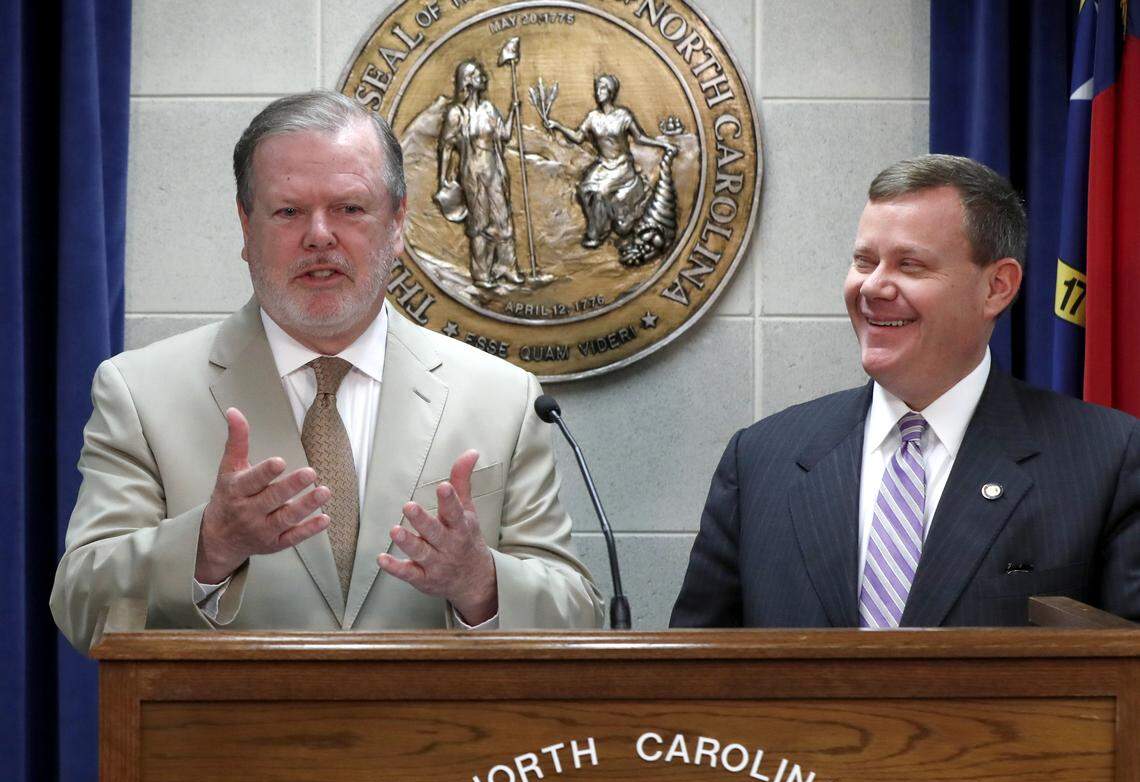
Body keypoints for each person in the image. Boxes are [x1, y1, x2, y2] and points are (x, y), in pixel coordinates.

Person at [51, 91, 602, 654]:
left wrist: (481, 583)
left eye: (350, 208)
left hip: (442, 738)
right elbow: (80, 605)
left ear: (397, 223)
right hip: (226, 740)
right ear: (246, 225)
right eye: (289, 211)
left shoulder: (504, 398)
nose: (319, 234)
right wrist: (207, 545)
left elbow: (580, 618)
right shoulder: (141, 392)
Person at [671, 154, 1140, 628]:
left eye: (909, 265)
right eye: (864, 261)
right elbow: (692, 678)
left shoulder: (1106, 460)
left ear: (997, 287)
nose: (873, 287)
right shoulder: (759, 460)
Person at [542, 73, 674, 248]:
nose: (598, 92)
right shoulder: (593, 117)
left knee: (601, 192)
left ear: (611, 91)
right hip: (604, 165)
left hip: (622, 165)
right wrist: (557, 125)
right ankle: (601, 223)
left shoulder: (623, 116)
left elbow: (640, 137)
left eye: (603, 88)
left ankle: (596, 233)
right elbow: (578, 137)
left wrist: (662, 145)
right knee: (584, 190)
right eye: (597, 88)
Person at [436, 60, 525, 288]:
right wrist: (442, 178)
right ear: (467, 81)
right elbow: (445, 145)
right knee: (479, 223)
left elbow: (504, 135)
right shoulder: (457, 113)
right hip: (472, 172)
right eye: (477, 74)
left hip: (494, 170)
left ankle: (507, 267)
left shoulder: (488, 108)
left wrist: (514, 113)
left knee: (503, 218)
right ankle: (481, 274)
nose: (483, 76)